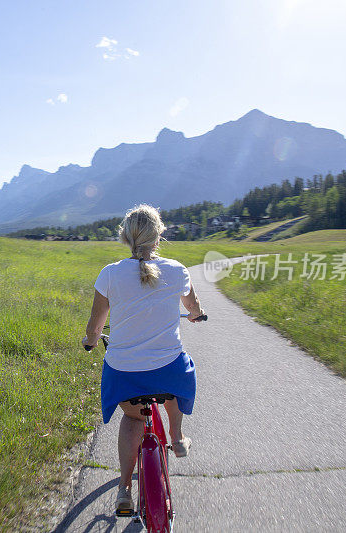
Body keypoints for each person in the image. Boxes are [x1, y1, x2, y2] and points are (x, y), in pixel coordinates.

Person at [81, 204, 205, 515]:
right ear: (159, 235)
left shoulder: (109, 274)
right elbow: (194, 306)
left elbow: (95, 328)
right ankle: (177, 438)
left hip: (125, 373)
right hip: (168, 372)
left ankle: (124, 488)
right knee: (179, 377)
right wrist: (195, 315)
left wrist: (90, 341)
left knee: (133, 418)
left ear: (125, 237)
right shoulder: (177, 270)